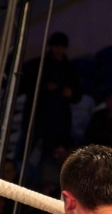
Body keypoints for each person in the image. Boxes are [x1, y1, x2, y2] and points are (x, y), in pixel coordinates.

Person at [19, 32, 82, 161]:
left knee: (50, 157)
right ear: (51, 46)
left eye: (61, 47)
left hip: (58, 120)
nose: (59, 50)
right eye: (56, 46)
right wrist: (44, 87)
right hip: (36, 116)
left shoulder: (70, 69)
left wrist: (71, 94)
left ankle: (44, 179)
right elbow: (24, 86)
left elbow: (78, 94)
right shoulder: (37, 65)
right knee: (23, 152)